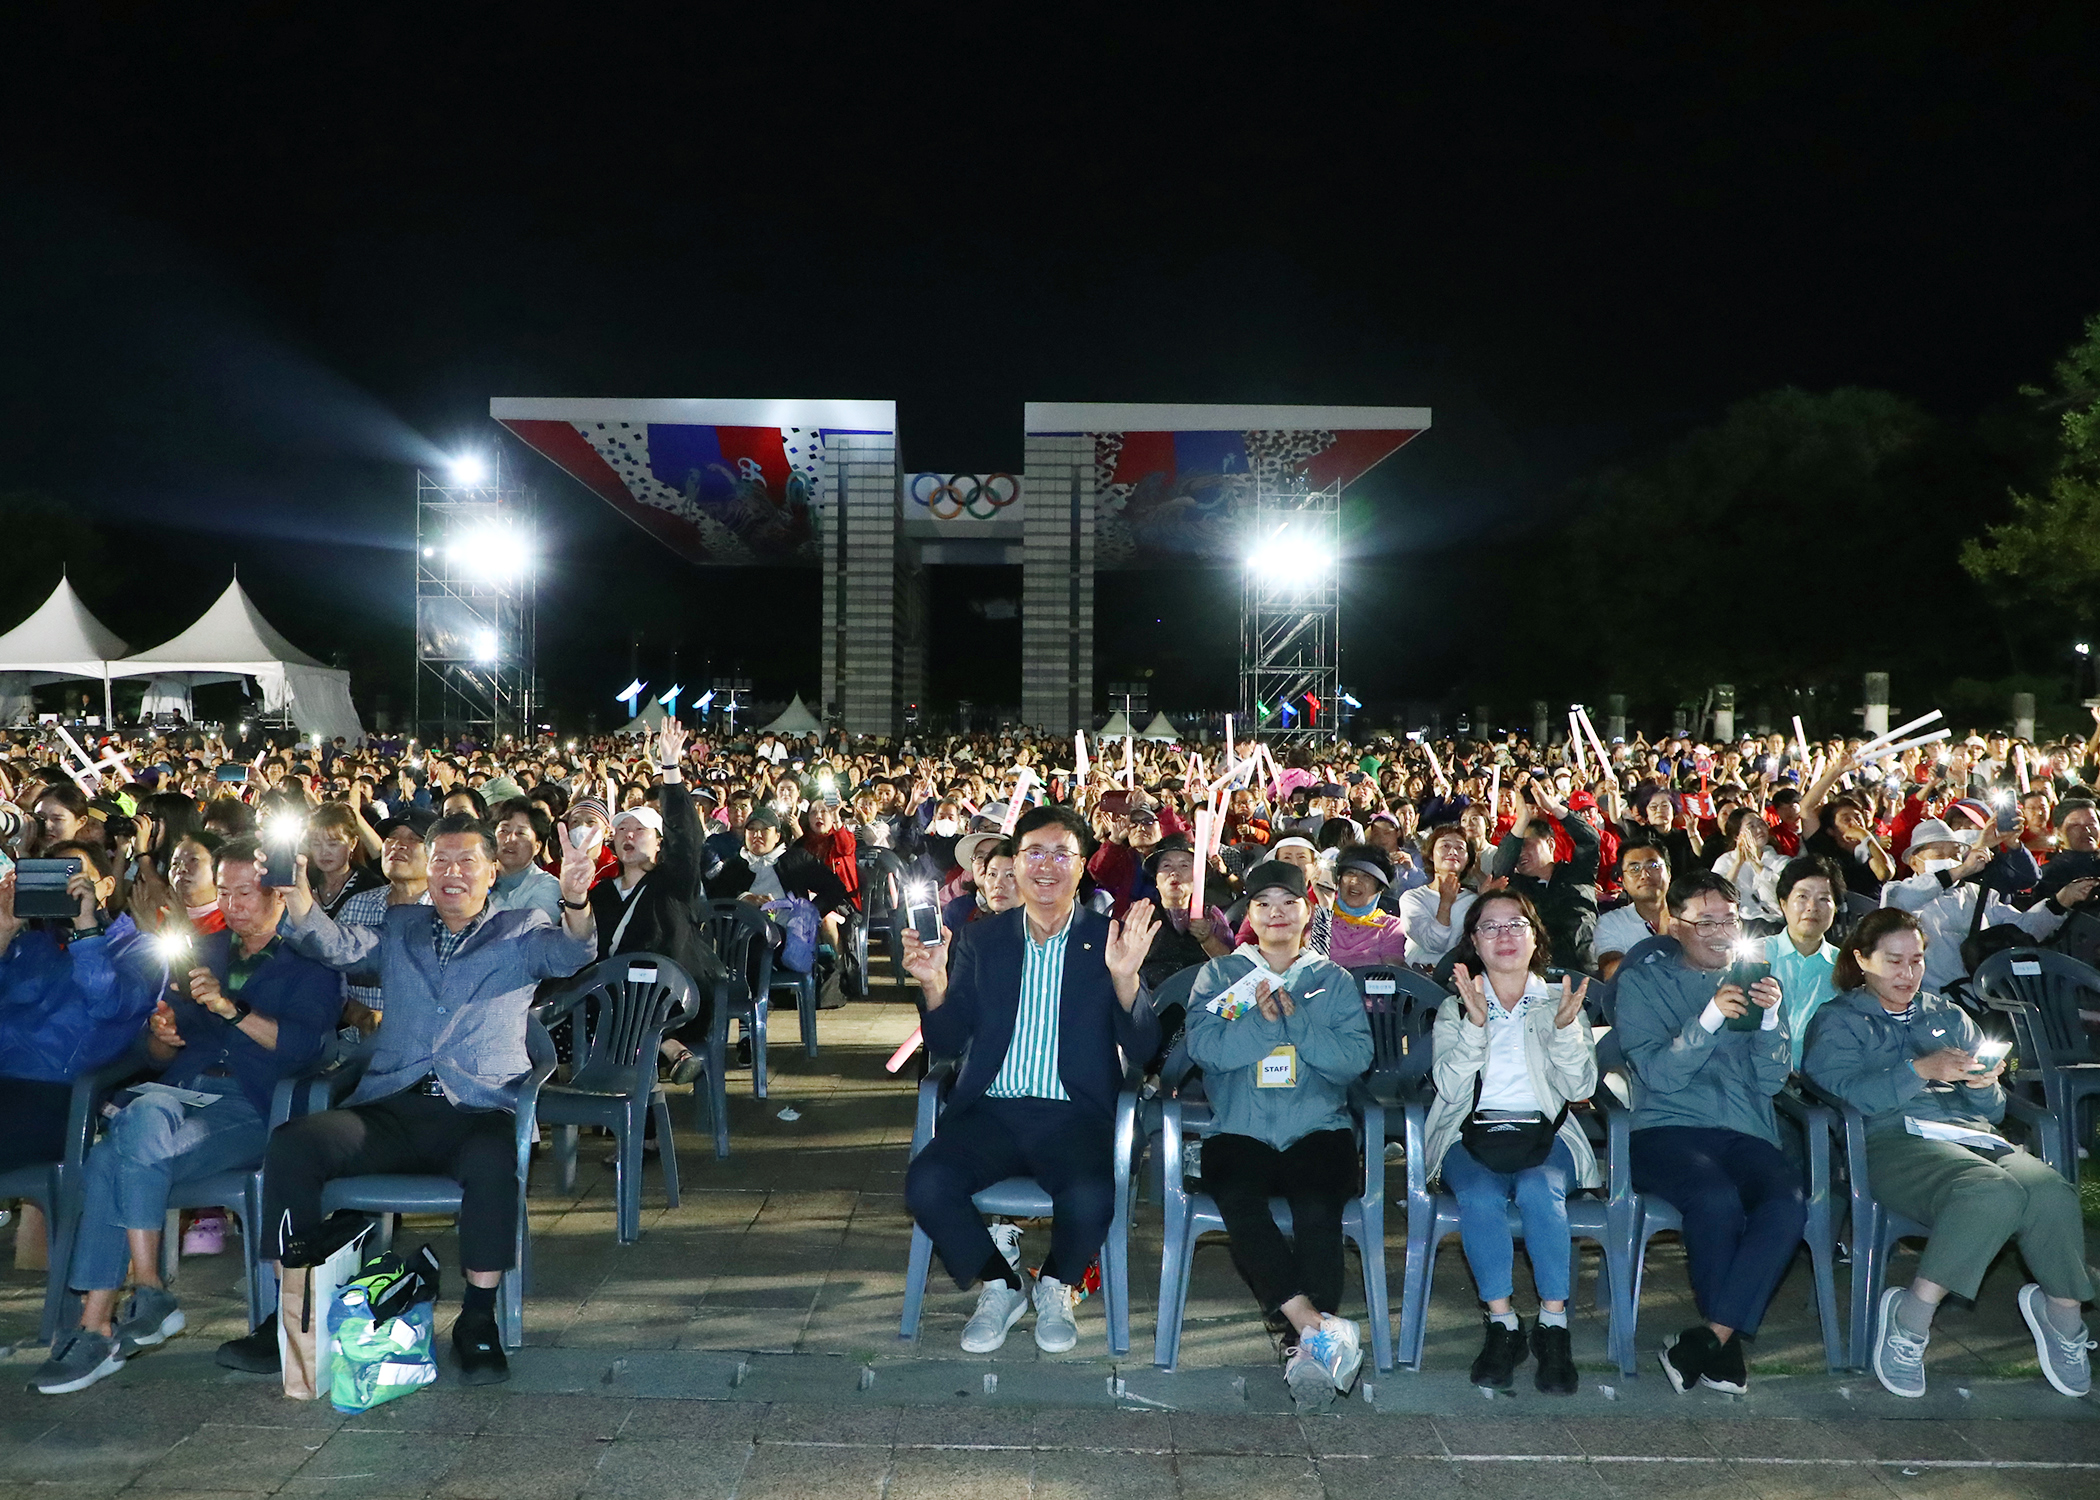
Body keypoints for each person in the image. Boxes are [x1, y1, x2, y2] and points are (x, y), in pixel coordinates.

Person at [228, 812, 599, 1385]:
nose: (452, 874)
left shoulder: (522, 929)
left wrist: (575, 900)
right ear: (427, 870)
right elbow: (339, 946)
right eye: (441, 861)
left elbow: (573, 954)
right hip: (394, 1106)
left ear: (492, 871)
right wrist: (298, 896)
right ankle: (289, 1310)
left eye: (466, 861)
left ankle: (477, 1322)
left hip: (476, 1107)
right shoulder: (401, 926)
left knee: (493, 1160)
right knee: (293, 1144)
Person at [32, 837, 340, 1395]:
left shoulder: (312, 962)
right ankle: (121, 1310)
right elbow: (164, 1055)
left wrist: (233, 1009)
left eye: (247, 892)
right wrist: (163, 1036)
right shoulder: (207, 948)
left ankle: (118, 1310)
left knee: (125, 1136)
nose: (234, 904)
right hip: (180, 1098)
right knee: (123, 1139)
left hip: (248, 1108)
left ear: (282, 894)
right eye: (225, 892)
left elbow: (304, 1050)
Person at [899, 804, 1160, 1355]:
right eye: (1033, 852)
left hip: (1074, 1114)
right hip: (992, 1111)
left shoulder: (1109, 941)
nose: (1046, 866)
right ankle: (1003, 1282)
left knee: (1092, 1196)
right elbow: (946, 1045)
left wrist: (1127, 980)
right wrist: (934, 985)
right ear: (1014, 865)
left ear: (1083, 865)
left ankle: (1057, 1284)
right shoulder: (983, 941)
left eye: (1061, 853)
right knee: (926, 1184)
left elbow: (1143, 1049)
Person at [1807, 908, 2094, 1400]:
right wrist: (1918, 1070)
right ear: (1861, 960)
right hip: (1893, 1142)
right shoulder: (1839, 1020)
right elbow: (1844, 1093)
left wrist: (1985, 1083)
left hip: (1969, 1135)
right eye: (1893, 961)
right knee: (1990, 1192)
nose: (1908, 973)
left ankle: (2061, 1314)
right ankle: (1910, 1318)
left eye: (1916, 960)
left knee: (2050, 1190)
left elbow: (1995, 1109)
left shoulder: (1945, 1014)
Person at [1182, 859, 1372, 1405]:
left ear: (1307, 911)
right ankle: (1315, 1329)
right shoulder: (1222, 977)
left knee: (1318, 1207)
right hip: (1239, 1128)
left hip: (1317, 1126)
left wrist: (1299, 1024)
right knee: (1240, 1200)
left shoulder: (1330, 980)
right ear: (1250, 916)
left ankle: (1300, 1346)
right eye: (1264, 905)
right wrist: (1261, 1024)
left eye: (1289, 904)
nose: (1278, 914)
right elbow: (1207, 1052)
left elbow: (1354, 1059)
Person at [1613, 870, 1804, 1396]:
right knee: (1715, 1198)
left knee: (1786, 1201)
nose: (1721, 931)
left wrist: (1769, 1023)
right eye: (1706, 921)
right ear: (1676, 925)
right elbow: (1660, 1074)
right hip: (1665, 1129)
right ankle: (1726, 1342)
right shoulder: (1642, 984)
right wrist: (1710, 1018)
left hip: (1745, 1130)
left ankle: (1710, 1337)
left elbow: (1771, 1080)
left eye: (1730, 919)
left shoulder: (1758, 981)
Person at [1426, 892, 1597, 1395]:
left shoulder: (1559, 1001)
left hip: (1546, 1133)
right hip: (1471, 1132)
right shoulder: (1455, 1006)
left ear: (1534, 936)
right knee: (1479, 1196)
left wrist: (1565, 1031)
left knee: (1540, 1192)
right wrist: (1476, 1028)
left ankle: (1553, 1325)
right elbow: (1450, 1090)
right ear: (1474, 942)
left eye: (1515, 925)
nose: (1504, 936)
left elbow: (1582, 1088)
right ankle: (1502, 1324)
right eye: (1490, 927)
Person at [0, 848, 161, 1179]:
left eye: (75, 874)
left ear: (105, 886)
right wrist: (3, 930)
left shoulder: (140, 950)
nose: (67, 887)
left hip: (54, 1095)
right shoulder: (32, 945)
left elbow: (107, 1004)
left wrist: (86, 927)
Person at [1489, 780, 1601, 972]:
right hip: (1540, 975)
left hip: (1587, 968)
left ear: (1550, 844)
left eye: (1526, 844)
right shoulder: (1517, 887)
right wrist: (1521, 821)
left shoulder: (1577, 873)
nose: (1519, 853)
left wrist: (1555, 808)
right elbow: (1501, 868)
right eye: (1516, 848)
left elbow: (1590, 840)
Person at [1765, 855, 1844, 1068]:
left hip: (1819, 1082)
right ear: (1783, 904)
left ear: (1835, 907)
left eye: (1823, 899)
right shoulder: (1756, 954)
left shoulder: (1844, 966)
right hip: (1756, 1077)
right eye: (1802, 896)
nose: (1812, 907)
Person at [1395, 825, 1477, 971]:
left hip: (1459, 978)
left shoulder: (1473, 901)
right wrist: (1445, 903)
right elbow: (1434, 945)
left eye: (1460, 848)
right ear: (1431, 855)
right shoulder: (1413, 898)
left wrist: (1488, 902)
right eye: (1445, 845)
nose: (1452, 852)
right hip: (1419, 978)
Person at [1592, 840, 1670, 977]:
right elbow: (1611, 974)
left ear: (1668, 873)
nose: (1645, 875)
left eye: (1653, 865)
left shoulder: (1692, 914)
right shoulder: (1611, 923)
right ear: (1623, 881)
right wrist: (1661, 940)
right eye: (1635, 869)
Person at [1324, 842, 1408, 968]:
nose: (1356, 881)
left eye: (1366, 876)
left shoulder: (1390, 927)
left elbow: (1391, 972)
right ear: (1338, 881)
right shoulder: (1318, 918)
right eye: (1350, 873)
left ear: (1379, 888)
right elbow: (1313, 967)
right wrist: (1324, 909)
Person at [486, 797, 563, 921]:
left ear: (537, 847)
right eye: (504, 830)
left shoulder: (548, 886)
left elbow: (525, 931)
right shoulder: (477, 876)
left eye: (521, 833)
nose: (510, 839)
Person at [1712, 807, 1786, 927]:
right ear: (1737, 836)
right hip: (1739, 924)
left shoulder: (1780, 861)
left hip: (1775, 923)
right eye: (1751, 826)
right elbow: (1717, 896)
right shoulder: (1725, 861)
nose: (1759, 829)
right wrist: (1737, 864)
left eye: (1761, 824)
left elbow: (1783, 893)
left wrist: (1756, 863)